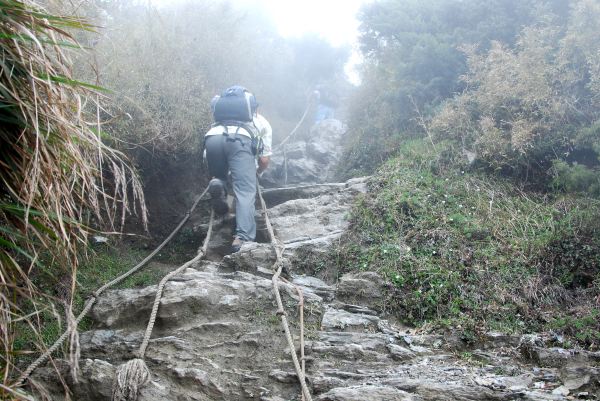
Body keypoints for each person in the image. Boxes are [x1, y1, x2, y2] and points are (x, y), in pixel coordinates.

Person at [204, 87, 272, 253]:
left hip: (212, 139)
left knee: (219, 177)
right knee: (245, 190)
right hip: (239, 142)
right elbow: (264, 159)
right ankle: (243, 238)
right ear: (254, 107)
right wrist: (257, 173)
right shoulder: (261, 122)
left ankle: (218, 183)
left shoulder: (221, 118)